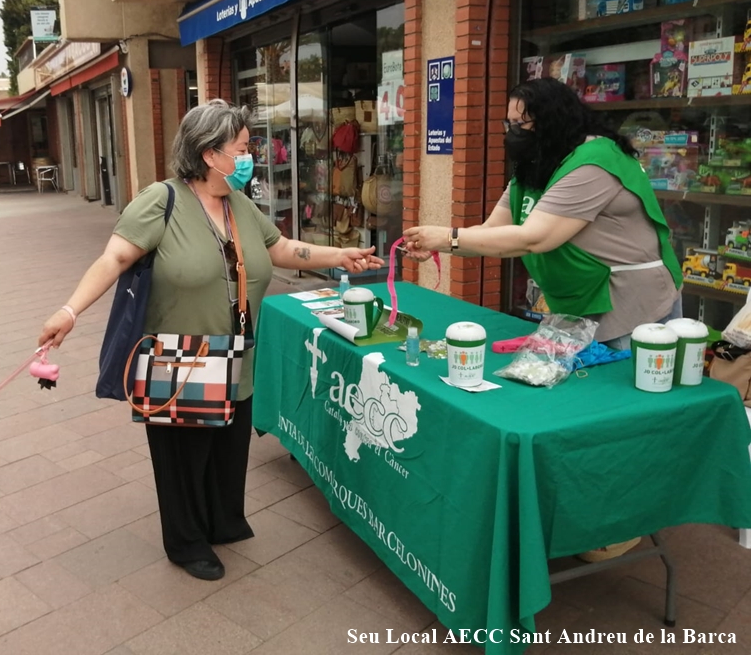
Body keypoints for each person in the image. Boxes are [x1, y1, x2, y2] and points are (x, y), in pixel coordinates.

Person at [37, 99, 384, 581]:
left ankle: (222, 521)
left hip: (237, 357)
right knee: (184, 457)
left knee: (227, 448)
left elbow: (281, 248)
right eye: (241, 148)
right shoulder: (161, 201)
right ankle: (186, 542)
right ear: (209, 153)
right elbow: (114, 258)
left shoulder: (240, 205)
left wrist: (339, 256)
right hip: (180, 362)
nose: (249, 157)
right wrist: (69, 310)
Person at [403, 77, 682, 350]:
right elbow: (490, 231)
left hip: (630, 308)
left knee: (619, 380)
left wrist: (448, 238)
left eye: (521, 124)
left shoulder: (594, 163)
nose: (513, 132)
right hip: (580, 304)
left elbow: (534, 238)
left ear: (552, 121)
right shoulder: (538, 166)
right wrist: (438, 243)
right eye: (509, 124)